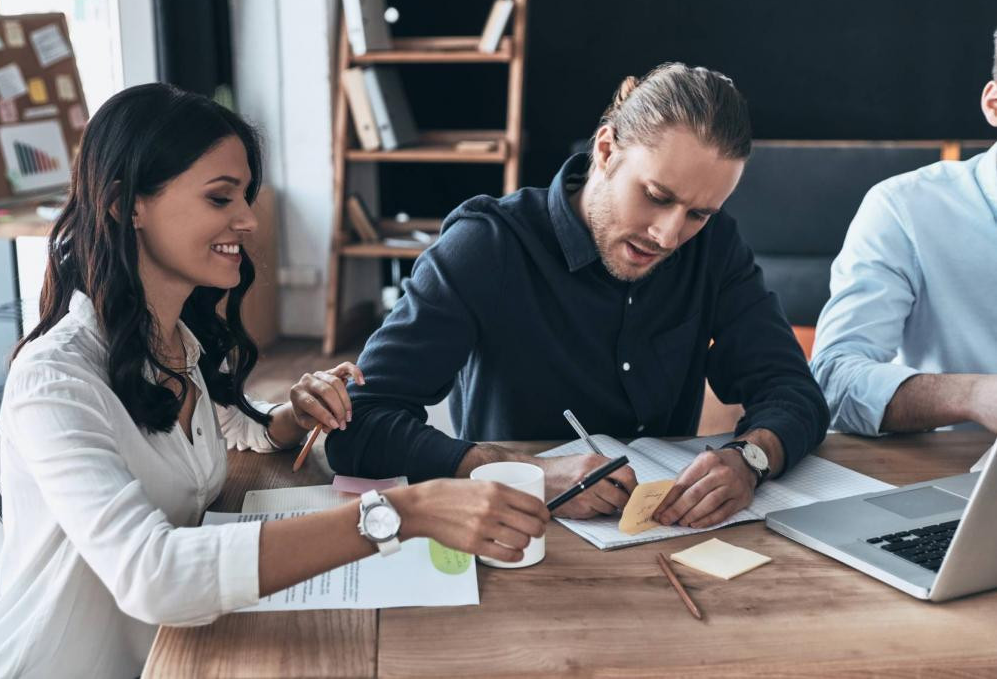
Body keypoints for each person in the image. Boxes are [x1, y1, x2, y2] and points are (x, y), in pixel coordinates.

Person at [0, 84, 548, 678]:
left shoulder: (175, 341)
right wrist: (400, 511)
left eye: (246, 196)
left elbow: (229, 428)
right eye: (220, 198)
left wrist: (292, 414)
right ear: (125, 205)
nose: (248, 220)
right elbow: (150, 574)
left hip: (175, 651)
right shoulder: (55, 381)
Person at [327, 63, 830, 529]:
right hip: (513, 539)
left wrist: (751, 459)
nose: (670, 235)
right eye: (657, 196)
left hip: (663, 540)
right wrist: (523, 473)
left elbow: (794, 391)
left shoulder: (715, 249)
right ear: (606, 150)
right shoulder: (488, 245)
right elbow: (359, 422)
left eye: (700, 214)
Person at [810, 30, 997, 438]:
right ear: (994, 105)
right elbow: (833, 381)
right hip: (958, 479)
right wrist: (976, 394)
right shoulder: (904, 207)